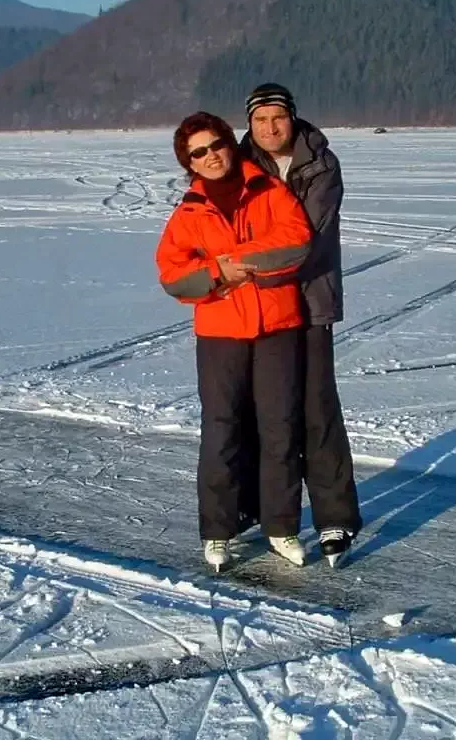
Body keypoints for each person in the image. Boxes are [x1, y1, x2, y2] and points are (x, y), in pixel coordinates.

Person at [155, 111, 314, 572]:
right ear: (189, 163)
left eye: (216, 145)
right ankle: (218, 531)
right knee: (221, 431)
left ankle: (281, 527)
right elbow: (171, 274)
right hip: (220, 333)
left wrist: (237, 260)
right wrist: (215, 272)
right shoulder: (189, 211)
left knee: (280, 429)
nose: (210, 156)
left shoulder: (269, 189)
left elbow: (296, 240)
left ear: (229, 143)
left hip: (277, 327)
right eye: (198, 153)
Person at [240, 83, 363, 567]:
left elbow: (302, 238)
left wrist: (246, 260)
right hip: (258, 307)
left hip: (309, 303)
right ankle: (259, 509)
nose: (270, 128)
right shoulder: (239, 165)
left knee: (317, 409)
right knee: (260, 413)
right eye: (260, 120)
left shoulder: (321, 165)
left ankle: (335, 516)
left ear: (292, 118)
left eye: (278, 117)